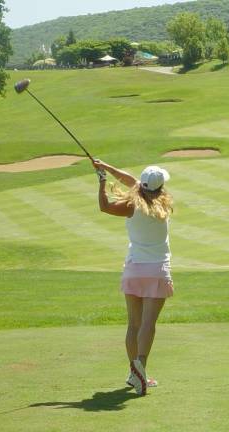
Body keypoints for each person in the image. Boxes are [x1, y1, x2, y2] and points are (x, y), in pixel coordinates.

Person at [93, 160, 174, 396]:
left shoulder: (131, 205)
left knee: (133, 324)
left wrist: (101, 180)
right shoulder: (164, 202)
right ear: (159, 188)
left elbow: (105, 206)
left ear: (143, 185)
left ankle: (135, 373)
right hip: (157, 271)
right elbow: (132, 182)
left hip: (134, 270)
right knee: (148, 324)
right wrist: (106, 166)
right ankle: (140, 368)